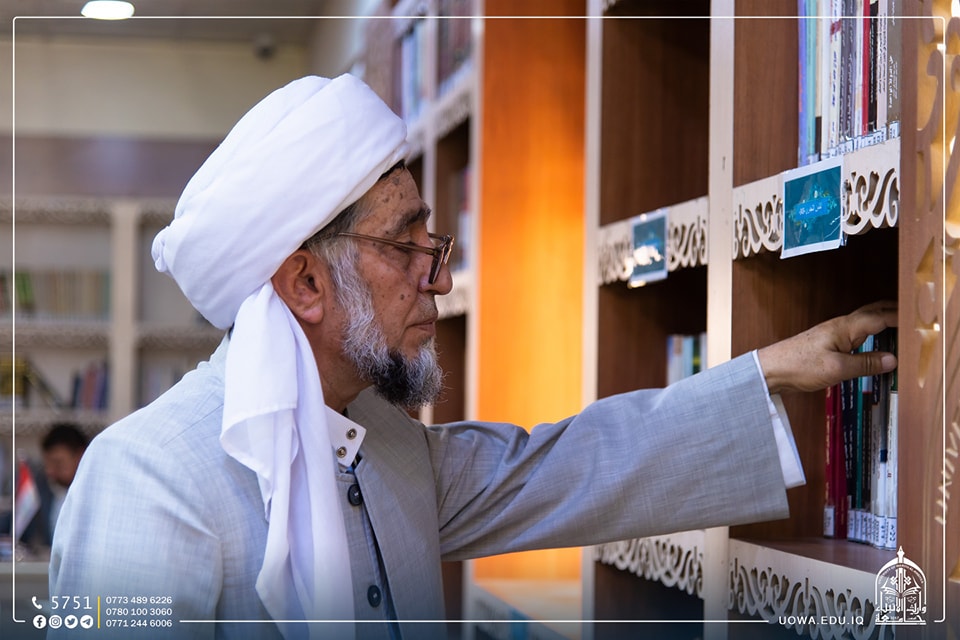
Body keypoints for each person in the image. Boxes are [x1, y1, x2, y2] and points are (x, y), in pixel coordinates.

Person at [48, 74, 897, 640]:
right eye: (405, 246)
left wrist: (772, 371)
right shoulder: (147, 482)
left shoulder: (384, 445)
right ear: (306, 283)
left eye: (434, 242)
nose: (441, 279)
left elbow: (564, 469)